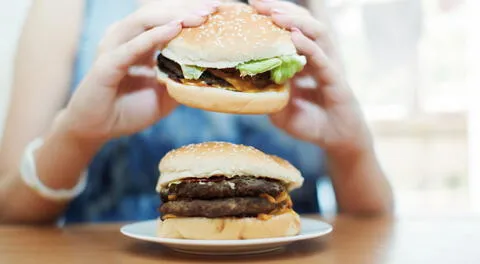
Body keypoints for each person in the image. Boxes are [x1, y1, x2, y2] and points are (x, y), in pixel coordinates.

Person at [0, 0, 393, 224]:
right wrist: (76, 134)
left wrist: (350, 145)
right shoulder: (67, 8)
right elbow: (9, 216)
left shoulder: (300, 11)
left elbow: (375, 226)